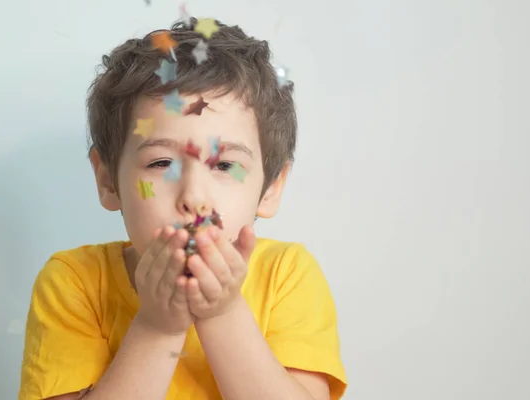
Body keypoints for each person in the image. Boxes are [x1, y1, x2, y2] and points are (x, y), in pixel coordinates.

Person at [18, 17, 347, 400]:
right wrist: (158, 328)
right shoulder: (75, 283)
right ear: (108, 181)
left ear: (271, 188)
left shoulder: (287, 274)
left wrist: (222, 313)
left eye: (225, 165)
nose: (194, 197)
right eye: (160, 164)